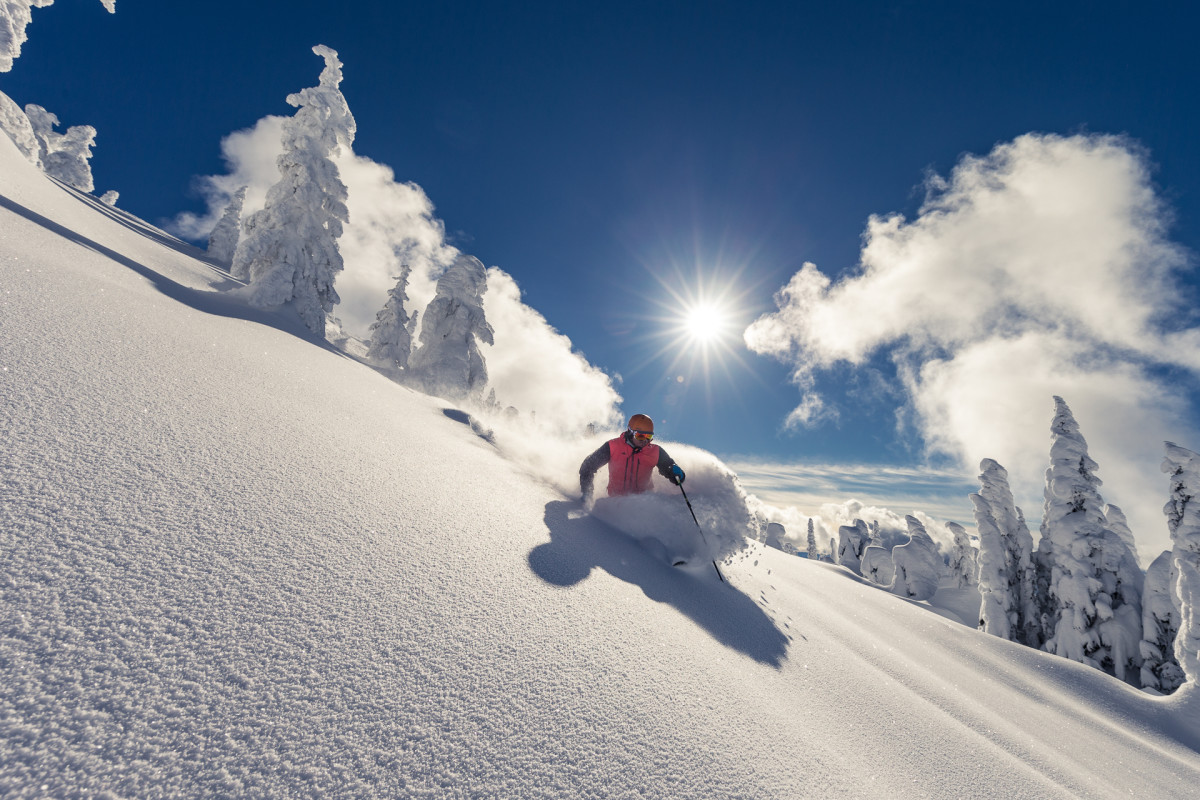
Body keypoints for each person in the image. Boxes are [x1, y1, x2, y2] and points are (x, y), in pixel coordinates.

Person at [579, 413, 685, 503]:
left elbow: (669, 467)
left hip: (645, 503)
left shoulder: (655, 451)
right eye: (640, 436)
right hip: (615, 503)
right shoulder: (613, 446)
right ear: (630, 432)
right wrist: (587, 494)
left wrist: (676, 473)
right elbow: (587, 466)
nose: (645, 440)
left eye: (649, 437)